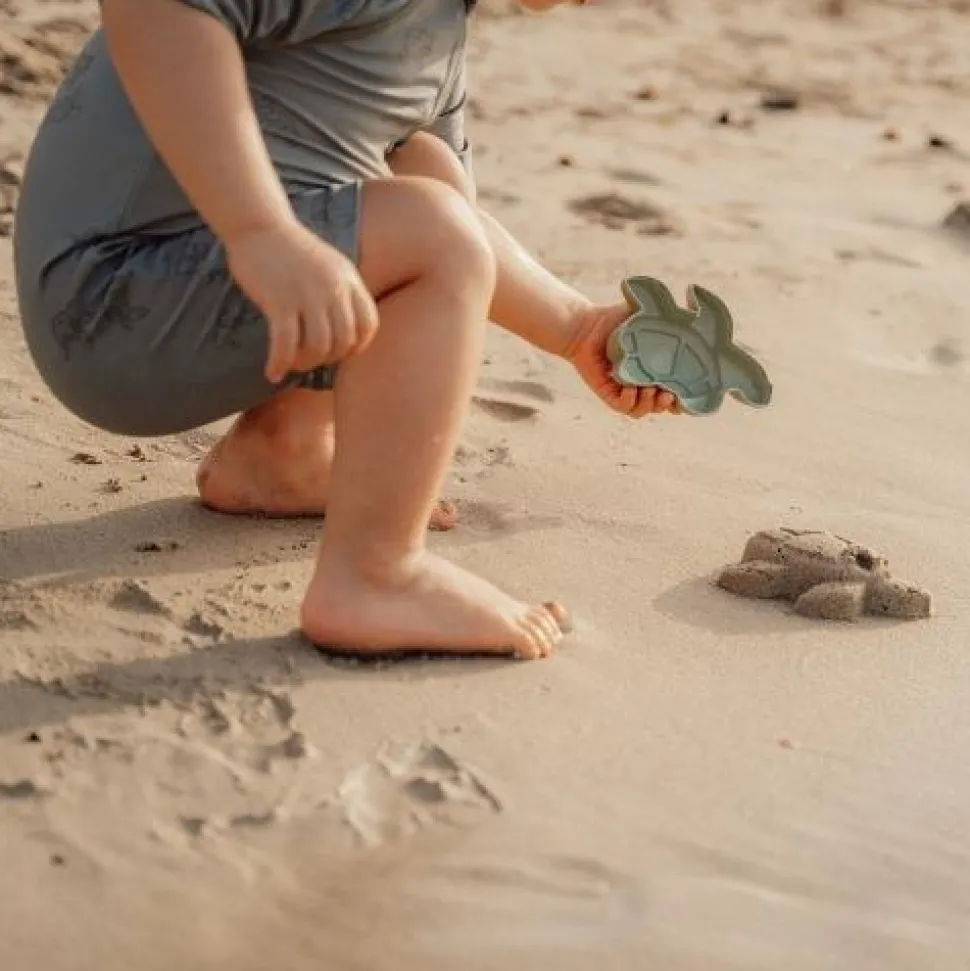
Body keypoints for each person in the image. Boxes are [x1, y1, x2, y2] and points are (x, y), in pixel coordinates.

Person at [13, 0, 679, 660]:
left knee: (427, 172)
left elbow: (452, 232)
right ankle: (375, 575)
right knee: (433, 230)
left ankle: (283, 452)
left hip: (177, 295)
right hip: (107, 299)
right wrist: (261, 231)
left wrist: (577, 328)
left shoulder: (438, 37)